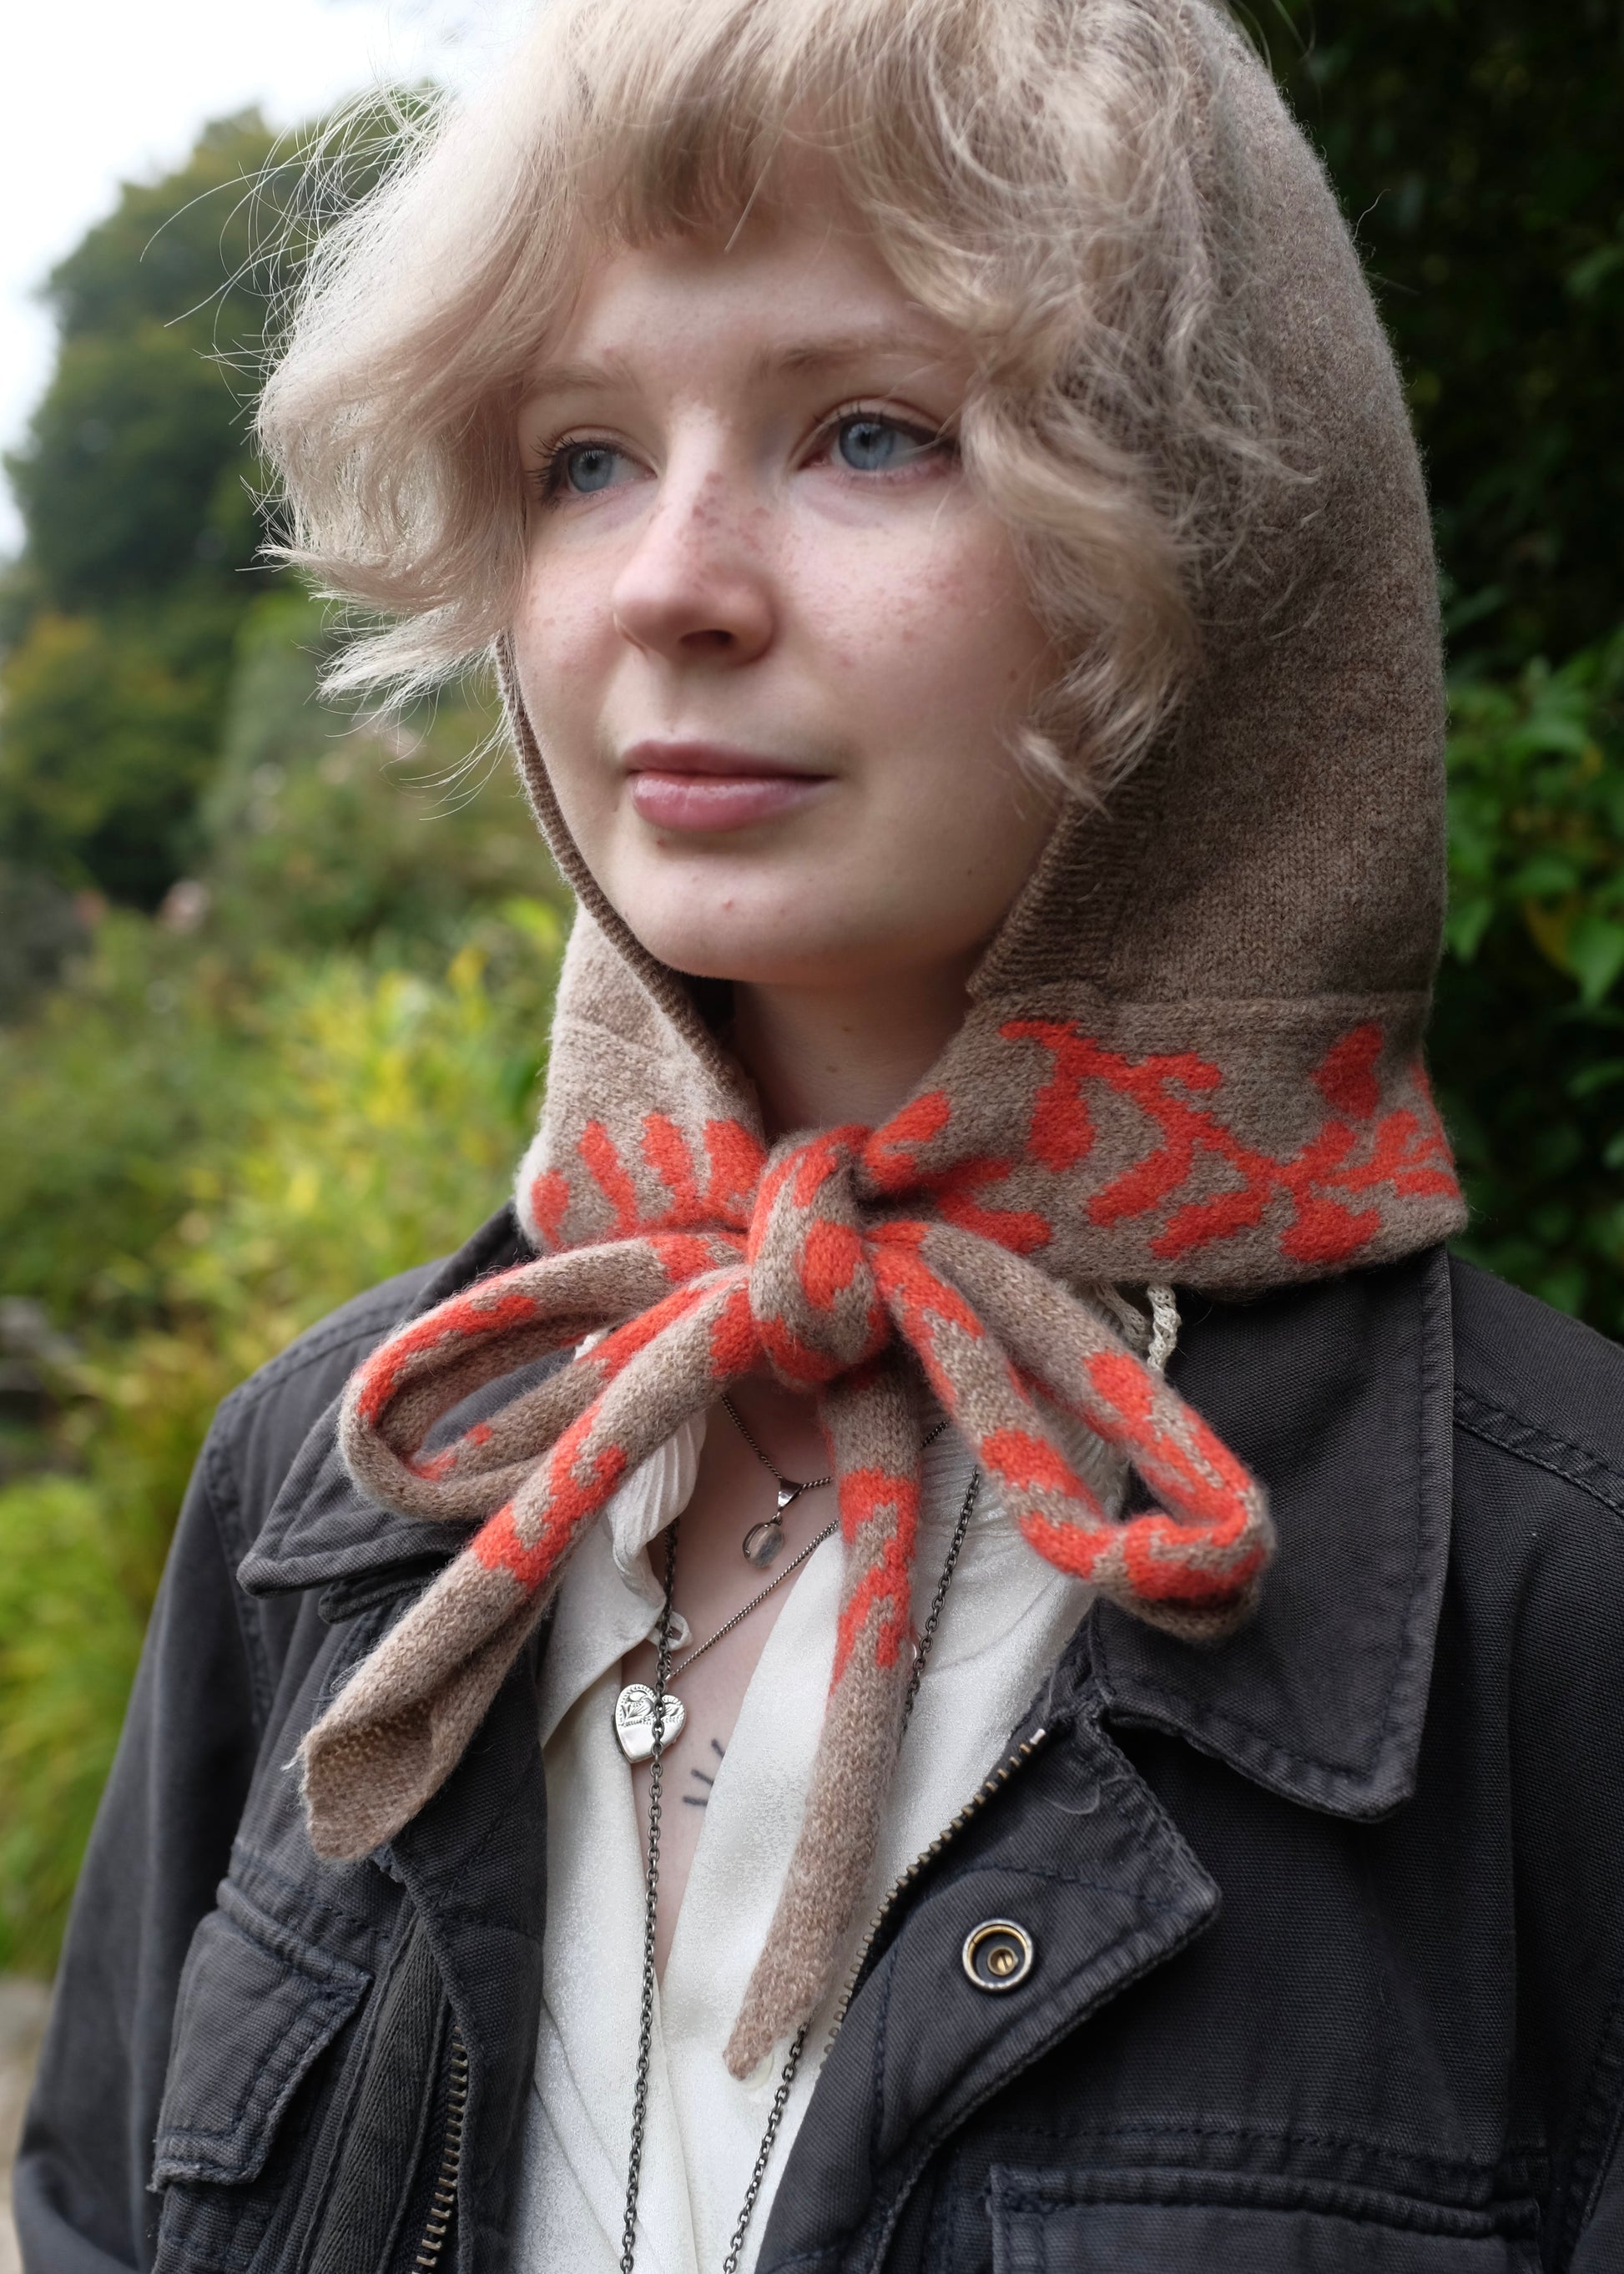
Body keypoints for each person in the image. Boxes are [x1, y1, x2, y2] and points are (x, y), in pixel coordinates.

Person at [17, 0, 1624, 2266]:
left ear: (1219, 534)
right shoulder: (335, 1475)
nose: (672, 581)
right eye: (579, 457)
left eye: (865, 432)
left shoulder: (1552, 1593)